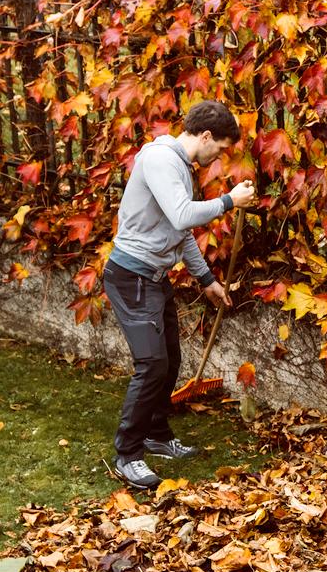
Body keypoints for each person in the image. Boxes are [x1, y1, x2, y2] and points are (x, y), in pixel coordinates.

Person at [103, 100, 256, 490]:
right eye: (219, 148)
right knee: (152, 364)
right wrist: (228, 202)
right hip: (130, 277)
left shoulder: (179, 168)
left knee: (169, 361)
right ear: (205, 136)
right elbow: (183, 215)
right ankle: (128, 454)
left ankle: (155, 433)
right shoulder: (160, 159)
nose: (219, 156)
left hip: (152, 278)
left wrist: (207, 280)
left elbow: (180, 232)